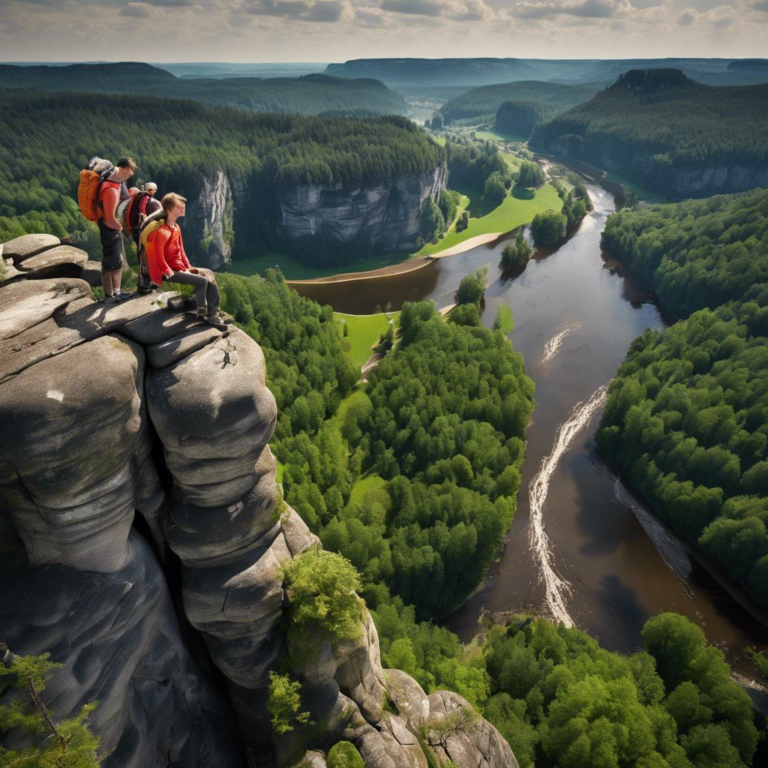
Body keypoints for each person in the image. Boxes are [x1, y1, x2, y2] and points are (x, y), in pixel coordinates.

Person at [145, 192, 224, 325]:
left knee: (209, 273)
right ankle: (203, 313)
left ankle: (213, 311)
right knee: (202, 281)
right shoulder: (162, 231)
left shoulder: (176, 227)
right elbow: (158, 259)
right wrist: (172, 272)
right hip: (167, 271)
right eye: (179, 207)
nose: (183, 208)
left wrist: (189, 268)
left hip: (178, 267)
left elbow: (181, 251)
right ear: (169, 209)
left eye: (183, 206)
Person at [98, 157, 136, 301]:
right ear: (122, 168)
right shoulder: (111, 190)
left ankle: (116, 293)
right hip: (110, 230)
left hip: (108, 228)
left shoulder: (113, 182)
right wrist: (122, 229)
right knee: (110, 263)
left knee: (115, 262)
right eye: (130, 170)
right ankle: (110, 295)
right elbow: (109, 219)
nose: (131, 173)